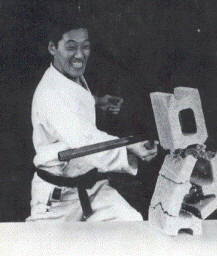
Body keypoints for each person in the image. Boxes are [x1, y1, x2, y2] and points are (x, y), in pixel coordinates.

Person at [26, 21, 158, 222]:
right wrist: (130, 148)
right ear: (53, 48)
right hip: (57, 200)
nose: (80, 55)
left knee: (132, 225)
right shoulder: (49, 94)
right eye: (71, 47)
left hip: (91, 188)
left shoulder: (68, 77)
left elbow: (73, 98)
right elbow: (85, 140)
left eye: (85, 46)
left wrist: (98, 101)